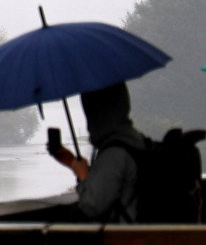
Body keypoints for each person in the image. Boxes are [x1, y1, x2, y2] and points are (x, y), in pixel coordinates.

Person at [49, 82, 148, 222]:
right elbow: (112, 182)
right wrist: (72, 162)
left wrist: (83, 177)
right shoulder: (134, 139)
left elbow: (91, 206)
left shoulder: (115, 153)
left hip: (123, 239)